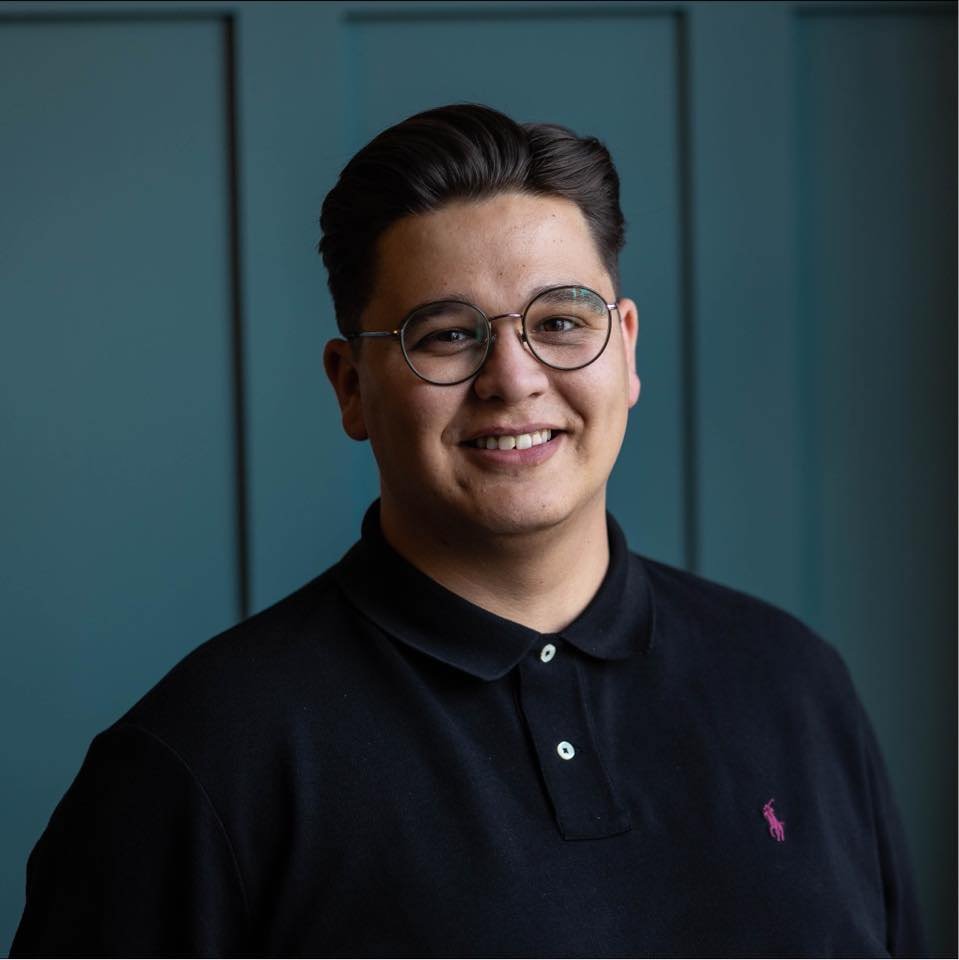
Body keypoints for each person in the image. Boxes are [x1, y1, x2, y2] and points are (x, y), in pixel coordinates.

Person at [12, 104, 924, 957]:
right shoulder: (201, 761)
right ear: (350, 388)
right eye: (446, 335)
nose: (513, 379)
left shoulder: (795, 683)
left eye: (560, 322)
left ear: (626, 348)